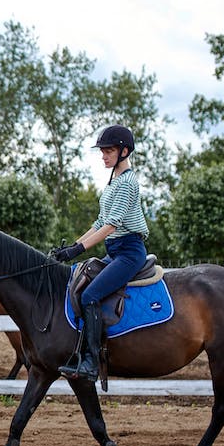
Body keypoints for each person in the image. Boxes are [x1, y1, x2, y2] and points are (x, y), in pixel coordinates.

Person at [51, 124, 149, 382]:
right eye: (102, 152)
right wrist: (71, 247)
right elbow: (98, 222)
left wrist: (79, 250)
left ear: (124, 151)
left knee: (91, 295)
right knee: (80, 286)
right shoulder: (113, 181)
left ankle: (92, 362)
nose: (104, 156)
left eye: (109, 151)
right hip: (115, 251)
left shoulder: (127, 183)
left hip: (129, 252)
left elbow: (111, 225)